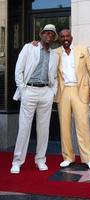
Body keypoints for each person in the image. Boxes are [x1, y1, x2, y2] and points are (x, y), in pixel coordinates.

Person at [10, 24, 59, 174]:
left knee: (43, 129)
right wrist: (23, 90)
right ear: (41, 34)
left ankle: (40, 160)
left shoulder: (55, 55)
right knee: (24, 128)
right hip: (29, 90)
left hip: (46, 92)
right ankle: (17, 162)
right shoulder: (29, 48)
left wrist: (52, 92)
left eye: (52, 34)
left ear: (53, 37)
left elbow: (55, 77)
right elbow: (19, 70)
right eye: (46, 33)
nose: (49, 36)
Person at [56, 29, 90, 170]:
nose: (65, 38)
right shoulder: (55, 53)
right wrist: (35, 44)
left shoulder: (82, 49)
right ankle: (68, 157)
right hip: (63, 92)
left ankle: (87, 158)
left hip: (81, 91)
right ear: (59, 39)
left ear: (71, 37)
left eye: (67, 36)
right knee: (64, 126)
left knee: (83, 125)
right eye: (62, 36)